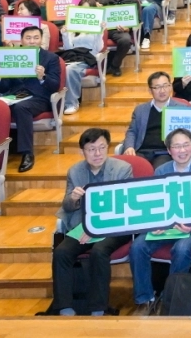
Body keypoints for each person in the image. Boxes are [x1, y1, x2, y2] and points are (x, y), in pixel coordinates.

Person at [129, 128, 191, 315]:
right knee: (138, 246)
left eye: (186, 145)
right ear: (169, 150)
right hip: (165, 226)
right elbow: (155, 203)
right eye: (177, 146)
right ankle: (145, 299)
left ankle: (171, 299)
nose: (182, 150)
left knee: (182, 249)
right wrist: (157, 223)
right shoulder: (162, 170)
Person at [51, 127, 133, 316]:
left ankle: (98, 307)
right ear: (82, 152)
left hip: (115, 226)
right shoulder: (75, 171)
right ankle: (64, 306)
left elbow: (123, 206)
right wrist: (73, 198)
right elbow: (68, 206)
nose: (97, 153)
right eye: (91, 149)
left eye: (102, 148)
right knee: (62, 252)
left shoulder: (122, 169)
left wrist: (97, 227)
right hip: (84, 226)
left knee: (99, 251)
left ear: (108, 148)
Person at [0, 25, 60, 172]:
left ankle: (27, 153)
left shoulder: (51, 58)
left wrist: (42, 77)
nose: (32, 41)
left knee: (22, 108)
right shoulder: (10, 56)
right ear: (21, 40)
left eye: (35, 38)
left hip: (38, 98)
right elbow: (4, 86)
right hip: (13, 96)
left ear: (41, 39)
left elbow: (55, 85)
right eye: (28, 38)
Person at [121, 71, 179, 167]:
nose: (162, 90)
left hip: (165, 153)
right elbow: (132, 131)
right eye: (157, 87)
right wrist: (129, 147)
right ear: (150, 90)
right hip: (142, 151)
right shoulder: (140, 109)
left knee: (160, 171)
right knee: (131, 169)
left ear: (170, 87)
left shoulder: (181, 108)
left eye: (165, 86)